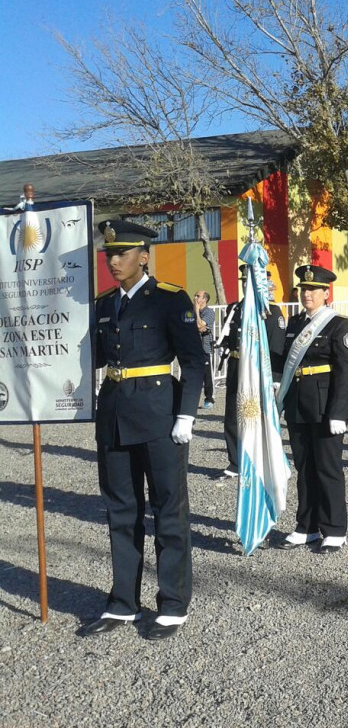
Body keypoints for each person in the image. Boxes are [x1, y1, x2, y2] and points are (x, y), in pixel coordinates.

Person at [82, 220, 205, 640]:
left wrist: (186, 414)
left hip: (159, 415)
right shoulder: (101, 304)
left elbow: (192, 360)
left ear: (144, 256)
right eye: (109, 255)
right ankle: (123, 603)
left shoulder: (170, 299)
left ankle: (172, 602)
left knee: (168, 509)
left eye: (122, 253)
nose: (114, 261)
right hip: (115, 414)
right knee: (121, 510)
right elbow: (89, 360)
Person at [275, 265, 348, 554]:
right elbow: (283, 362)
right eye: (303, 289)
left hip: (324, 407)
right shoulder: (294, 324)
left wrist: (339, 411)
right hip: (298, 404)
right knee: (304, 466)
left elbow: (345, 372)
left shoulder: (338, 325)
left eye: (313, 289)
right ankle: (306, 526)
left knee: (327, 467)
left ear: (325, 293)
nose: (306, 293)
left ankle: (334, 529)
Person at [215, 265, 285, 479]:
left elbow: (277, 347)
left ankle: (260, 461)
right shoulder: (235, 308)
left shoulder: (271, 312)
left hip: (258, 369)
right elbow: (230, 335)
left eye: (251, 283)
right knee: (233, 416)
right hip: (237, 366)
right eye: (244, 282)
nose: (247, 286)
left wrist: (275, 378)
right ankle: (235, 462)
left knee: (257, 415)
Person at [194, 290, 216, 409]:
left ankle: (209, 398)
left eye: (198, 296)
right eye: (195, 295)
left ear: (204, 300)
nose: (195, 298)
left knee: (206, 375)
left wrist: (197, 312)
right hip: (192, 347)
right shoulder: (190, 312)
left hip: (204, 347)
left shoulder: (209, 312)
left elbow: (200, 325)